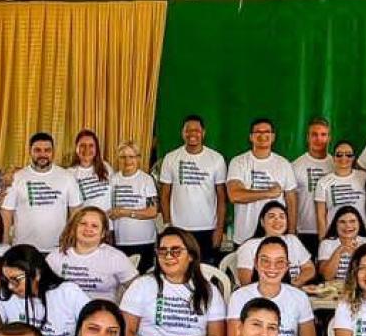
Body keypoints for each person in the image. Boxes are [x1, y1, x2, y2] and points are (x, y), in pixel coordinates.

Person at [121, 229, 228, 336]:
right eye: (162, 251)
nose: (168, 256)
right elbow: (126, 332)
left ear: (191, 256)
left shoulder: (210, 291)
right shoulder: (142, 285)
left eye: (176, 251)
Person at [227, 237, 318, 336]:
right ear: (255, 263)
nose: (272, 267)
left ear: (287, 266)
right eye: (265, 261)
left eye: (279, 262)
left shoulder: (299, 297)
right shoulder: (239, 297)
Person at [0, 244, 89, 336]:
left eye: (15, 279)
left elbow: (93, 323)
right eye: (6, 279)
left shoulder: (68, 293)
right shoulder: (3, 294)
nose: (10, 286)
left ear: (37, 273)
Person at [158, 115, 228, 258]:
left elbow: (221, 197)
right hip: (179, 228)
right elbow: (164, 195)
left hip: (208, 228)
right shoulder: (171, 158)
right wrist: (167, 224)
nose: (192, 134)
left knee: (206, 270)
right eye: (187, 130)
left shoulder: (216, 159)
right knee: (180, 270)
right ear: (182, 133)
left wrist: (219, 229)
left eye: (196, 130)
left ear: (203, 133)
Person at [3, 131, 80, 253]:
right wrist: (5, 246)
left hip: (58, 249)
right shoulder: (17, 177)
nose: (42, 154)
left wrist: (73, 242)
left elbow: (76, 213)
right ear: (30, 151)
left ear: (53, 152)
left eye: (47, 150)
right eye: (37, 150)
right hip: (23, 249)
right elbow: (6, 214)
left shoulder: (67, 177)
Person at [226, 116, 297, 244]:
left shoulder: (284, 164)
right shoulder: (238, 162)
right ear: (251, 137)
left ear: (273, 137)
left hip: (276, 237)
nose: (262, 135)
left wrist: (291, 233)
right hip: (245, 236)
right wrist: (269, 193)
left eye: (267, 132)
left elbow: (291, 200)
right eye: (258, 132)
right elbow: (235, 195)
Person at [49, 206, 137, 300]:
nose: (88, 229)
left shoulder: (116, 257)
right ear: (74, 228)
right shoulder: (55, 257)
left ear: (103, 233)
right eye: (83, 224)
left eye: (94, 226)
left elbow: (139, 289)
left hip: (102, 311)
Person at [231, 201, 315, 285]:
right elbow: (246, 282)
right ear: (262, 222)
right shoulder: (249, 246)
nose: (277, 220)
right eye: (272, 216)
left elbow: (309, 268)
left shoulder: (293, 240)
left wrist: (297, 282)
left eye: (282, 217)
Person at [108, 141, 160, 271]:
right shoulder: (113, 179)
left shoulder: (146, 180)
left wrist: (124, 212)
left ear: (138, 158)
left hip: (144, 240)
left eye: (131, 156)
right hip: (120, 240)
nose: (127, 161)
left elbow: (152, 211)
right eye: (123, 157)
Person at [289, 118, 333, 254]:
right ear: (307, 138)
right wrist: (292, 232)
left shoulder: (336, 164)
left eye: (323, 135)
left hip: (332, 230)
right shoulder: (296, 166)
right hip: (304, 231)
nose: (318, 139)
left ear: (329, 138)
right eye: (314, 134)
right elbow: (291, 201)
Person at [314, 138, 366, 236]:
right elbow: (321, 217)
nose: (343, 158)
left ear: (354, 157)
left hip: (360, 233)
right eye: (339, 154)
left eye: (348, 155)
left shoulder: (364, 177)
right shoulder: (323, 182)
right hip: (334, 235)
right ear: (333, 157)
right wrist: (323, 241)